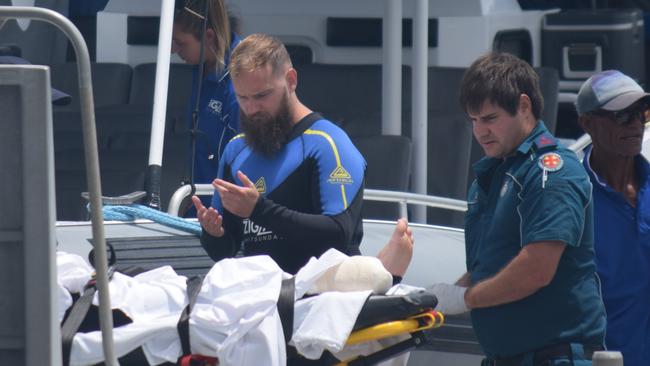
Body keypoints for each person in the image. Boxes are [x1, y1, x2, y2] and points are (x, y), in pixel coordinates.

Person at [430, 52, 606, 365]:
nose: (479, 131)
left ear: (524, 106)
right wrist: (435, 302)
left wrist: (465, 299)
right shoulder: (498, 175)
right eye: (473, 120)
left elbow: (536, 269)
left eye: (489, 118)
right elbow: (491, 266)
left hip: (555, 357)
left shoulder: (551, 170)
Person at [191, 33, 384, 275]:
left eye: (261, 96)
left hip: (320, 300)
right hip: (264, 299)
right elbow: (225, 250)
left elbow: (339, 234)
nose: (251, 109)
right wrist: (213, 233)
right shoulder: (235, 151)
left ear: (291, 80)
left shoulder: (328, 142)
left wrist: (260, 210)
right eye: (243, 98)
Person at [575, 70, 650, 366]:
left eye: (640, 113)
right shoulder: (569, 196)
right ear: (587, 123)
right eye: (621, 115)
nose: (635, 124)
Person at [172, 0, 240, 188]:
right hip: (198, 197)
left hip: (223, 203)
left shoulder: (241, 84)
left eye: (180, 43)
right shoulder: (202, 67)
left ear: (208, 36)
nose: (172, 50)